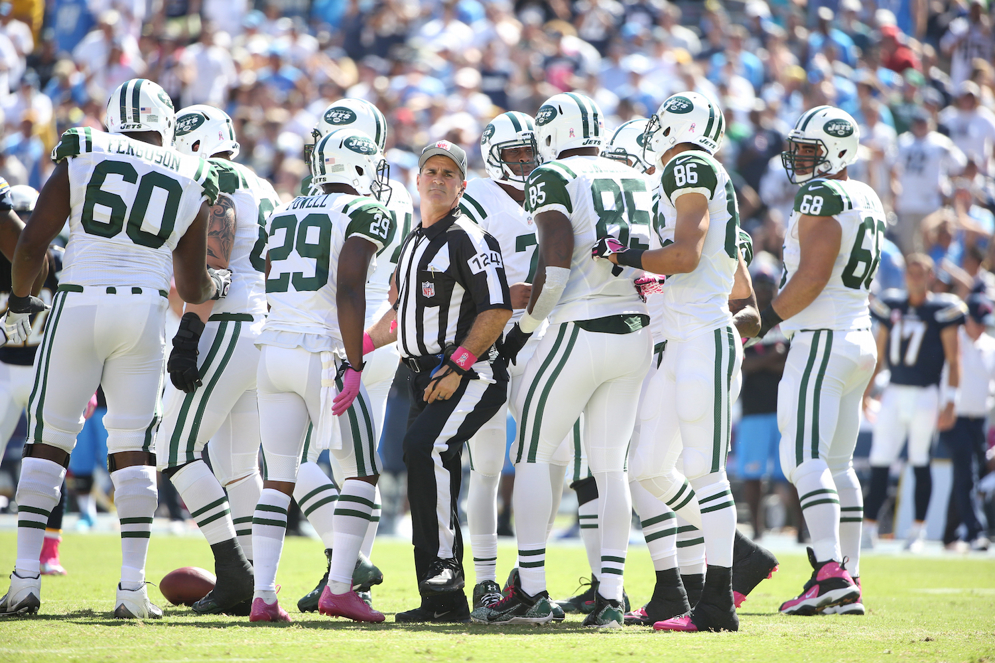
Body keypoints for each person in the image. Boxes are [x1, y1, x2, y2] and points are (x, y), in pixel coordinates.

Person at [0, 78, 230, 619]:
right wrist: (217, 288)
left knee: (48, 441)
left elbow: (33, 242)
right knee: (134, 447)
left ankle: (25, 581)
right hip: (144, 313)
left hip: (78, 302)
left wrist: (17, 300)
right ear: (165, 121)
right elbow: (193, 286)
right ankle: (131, 589)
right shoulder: (192, 173)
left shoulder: (84, 147)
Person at [473, 92, 652, 629]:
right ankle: (611, 597)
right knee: (609, 464)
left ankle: (530, 588)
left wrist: (526, 327)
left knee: (531, 453)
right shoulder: (636, 177)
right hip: (634, 330)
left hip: (579, 327)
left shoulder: (554, 176)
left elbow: (552, 268)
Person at [596, 92, 756, 633]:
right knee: (647, 466)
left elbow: (684, 256)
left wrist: (623, 257)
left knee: (706, 475)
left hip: (703, 336)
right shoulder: (697, 172)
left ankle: (716, 606)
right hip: (683, 341)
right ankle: (735, 551)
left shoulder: (689, 165)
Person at [248, 128, 395, 624]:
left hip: (273, 348)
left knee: (278, 478)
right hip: (322, 354)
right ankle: (339, 588)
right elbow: (350, 290)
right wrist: (353, 362)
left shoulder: (287, 207)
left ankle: (263, 594)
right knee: (362, 472)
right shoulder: (362, 210)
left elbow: (268, 270)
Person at [364, 140, 512, 624]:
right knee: (420, 454)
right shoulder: (412, 241)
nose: (439, 179)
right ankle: (441, 601)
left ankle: (447, 565)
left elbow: (496, 308)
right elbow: (402, 315)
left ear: (462, 185)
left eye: (449, 173)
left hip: (470, 371)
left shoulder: (468, 235)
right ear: (418, 178)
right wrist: (357, 349)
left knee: (425, 448)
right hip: (419, 373)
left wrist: (458, 364)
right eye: (432, 170)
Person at [754, 105, 882, 616]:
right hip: (858, 336)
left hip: (824, 339)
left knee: (804, 458)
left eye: (810, 150)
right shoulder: (866, 194)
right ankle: (847, 574)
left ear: (839, 151)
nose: (799, 158)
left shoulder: (823, 193)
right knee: (837, 464)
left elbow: (809, 280)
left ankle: (828, 571)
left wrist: (761, 321)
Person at [155, 105, 280, 615]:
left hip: (223, 322)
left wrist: (188, 333)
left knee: (175, 451)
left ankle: (232, 572)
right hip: (263, 327)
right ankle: (255, 583)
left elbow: (214, 264)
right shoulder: (265, 186)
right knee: (236, 468)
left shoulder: (212, 179)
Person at [296, 98, 410, 614]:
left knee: (294, 460)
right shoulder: (403, 192)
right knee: (357, 463)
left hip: (337, 339)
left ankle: (344, 569)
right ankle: (347, 578)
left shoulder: (318, 198)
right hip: (385, 338)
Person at [864, 254, 966, 552]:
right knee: (880, 460)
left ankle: (917, 531)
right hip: (894, 391)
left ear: (931, 277)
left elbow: (953, 358)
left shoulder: (942, 309)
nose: (914, 278)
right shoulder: (892, 305)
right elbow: (879, 355)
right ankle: (869, 528)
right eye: (911, 272)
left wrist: (951, 401)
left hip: (926, 393)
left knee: (920, 460)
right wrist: (866, 393)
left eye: (921, 273)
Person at [0, 184, 69, 575]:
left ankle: (50, 548)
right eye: (19, 220)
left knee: (52, 460)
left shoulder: (59, 264)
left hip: (46, 367)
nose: (24, 229)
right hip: (5, 367)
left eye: (30, 220)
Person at [941, 293, 995, 551]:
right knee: (967, 474)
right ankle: (976, 532)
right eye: (978, 320)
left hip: (978, 421)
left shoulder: (991, 346)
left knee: (967, 475)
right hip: (955, 419)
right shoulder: (953, 340)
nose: (982, 326)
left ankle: (949, 533)